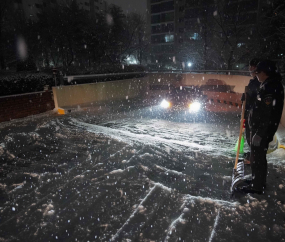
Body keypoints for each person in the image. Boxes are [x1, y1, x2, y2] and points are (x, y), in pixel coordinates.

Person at [238, 60, 284, 194]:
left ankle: (257, 186)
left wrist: (259, 133)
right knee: (256, 156)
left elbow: (267, 114)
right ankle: (256, 180)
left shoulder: (271, 88)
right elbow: (259, 108)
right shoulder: (268, 85)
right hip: (259, 128)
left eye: (258, 72)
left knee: (258, 158)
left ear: (265, 72)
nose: (256, 75)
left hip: (261, 130)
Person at [241, 58, 261, 165]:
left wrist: (249, 96)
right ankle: (253, 154)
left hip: (255, 113)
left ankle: (254, 158)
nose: (250, 69)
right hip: (250, 112)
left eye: (252, 67)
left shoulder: (259, 82)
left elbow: (256, 97)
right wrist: (244, 97)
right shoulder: (253, 81)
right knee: (249, 135)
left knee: (252, 135)